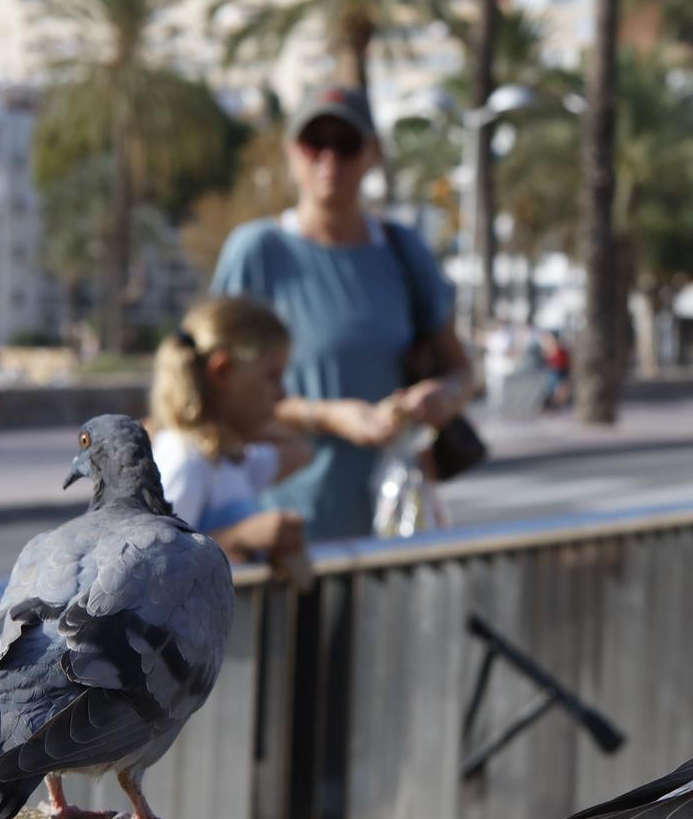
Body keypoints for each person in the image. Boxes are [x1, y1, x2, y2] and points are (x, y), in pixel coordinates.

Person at [210, 85, 475, 541]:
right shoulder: (257, 252)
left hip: (389, 525)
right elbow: (213, 386)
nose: (328, 159)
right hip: (277, 533)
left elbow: (463, 369)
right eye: (315, 143)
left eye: (346, 144)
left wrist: (441, 398)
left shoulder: (403, 249)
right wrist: (325, 416)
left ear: (372, 153)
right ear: (292, 153)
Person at [148, 296, 313, 569]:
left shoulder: (226, 458)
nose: (282, 394)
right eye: (272, 376)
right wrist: (238, 539)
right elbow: (148, 562)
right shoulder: (185, 459)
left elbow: (303, 449)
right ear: (222, 371)